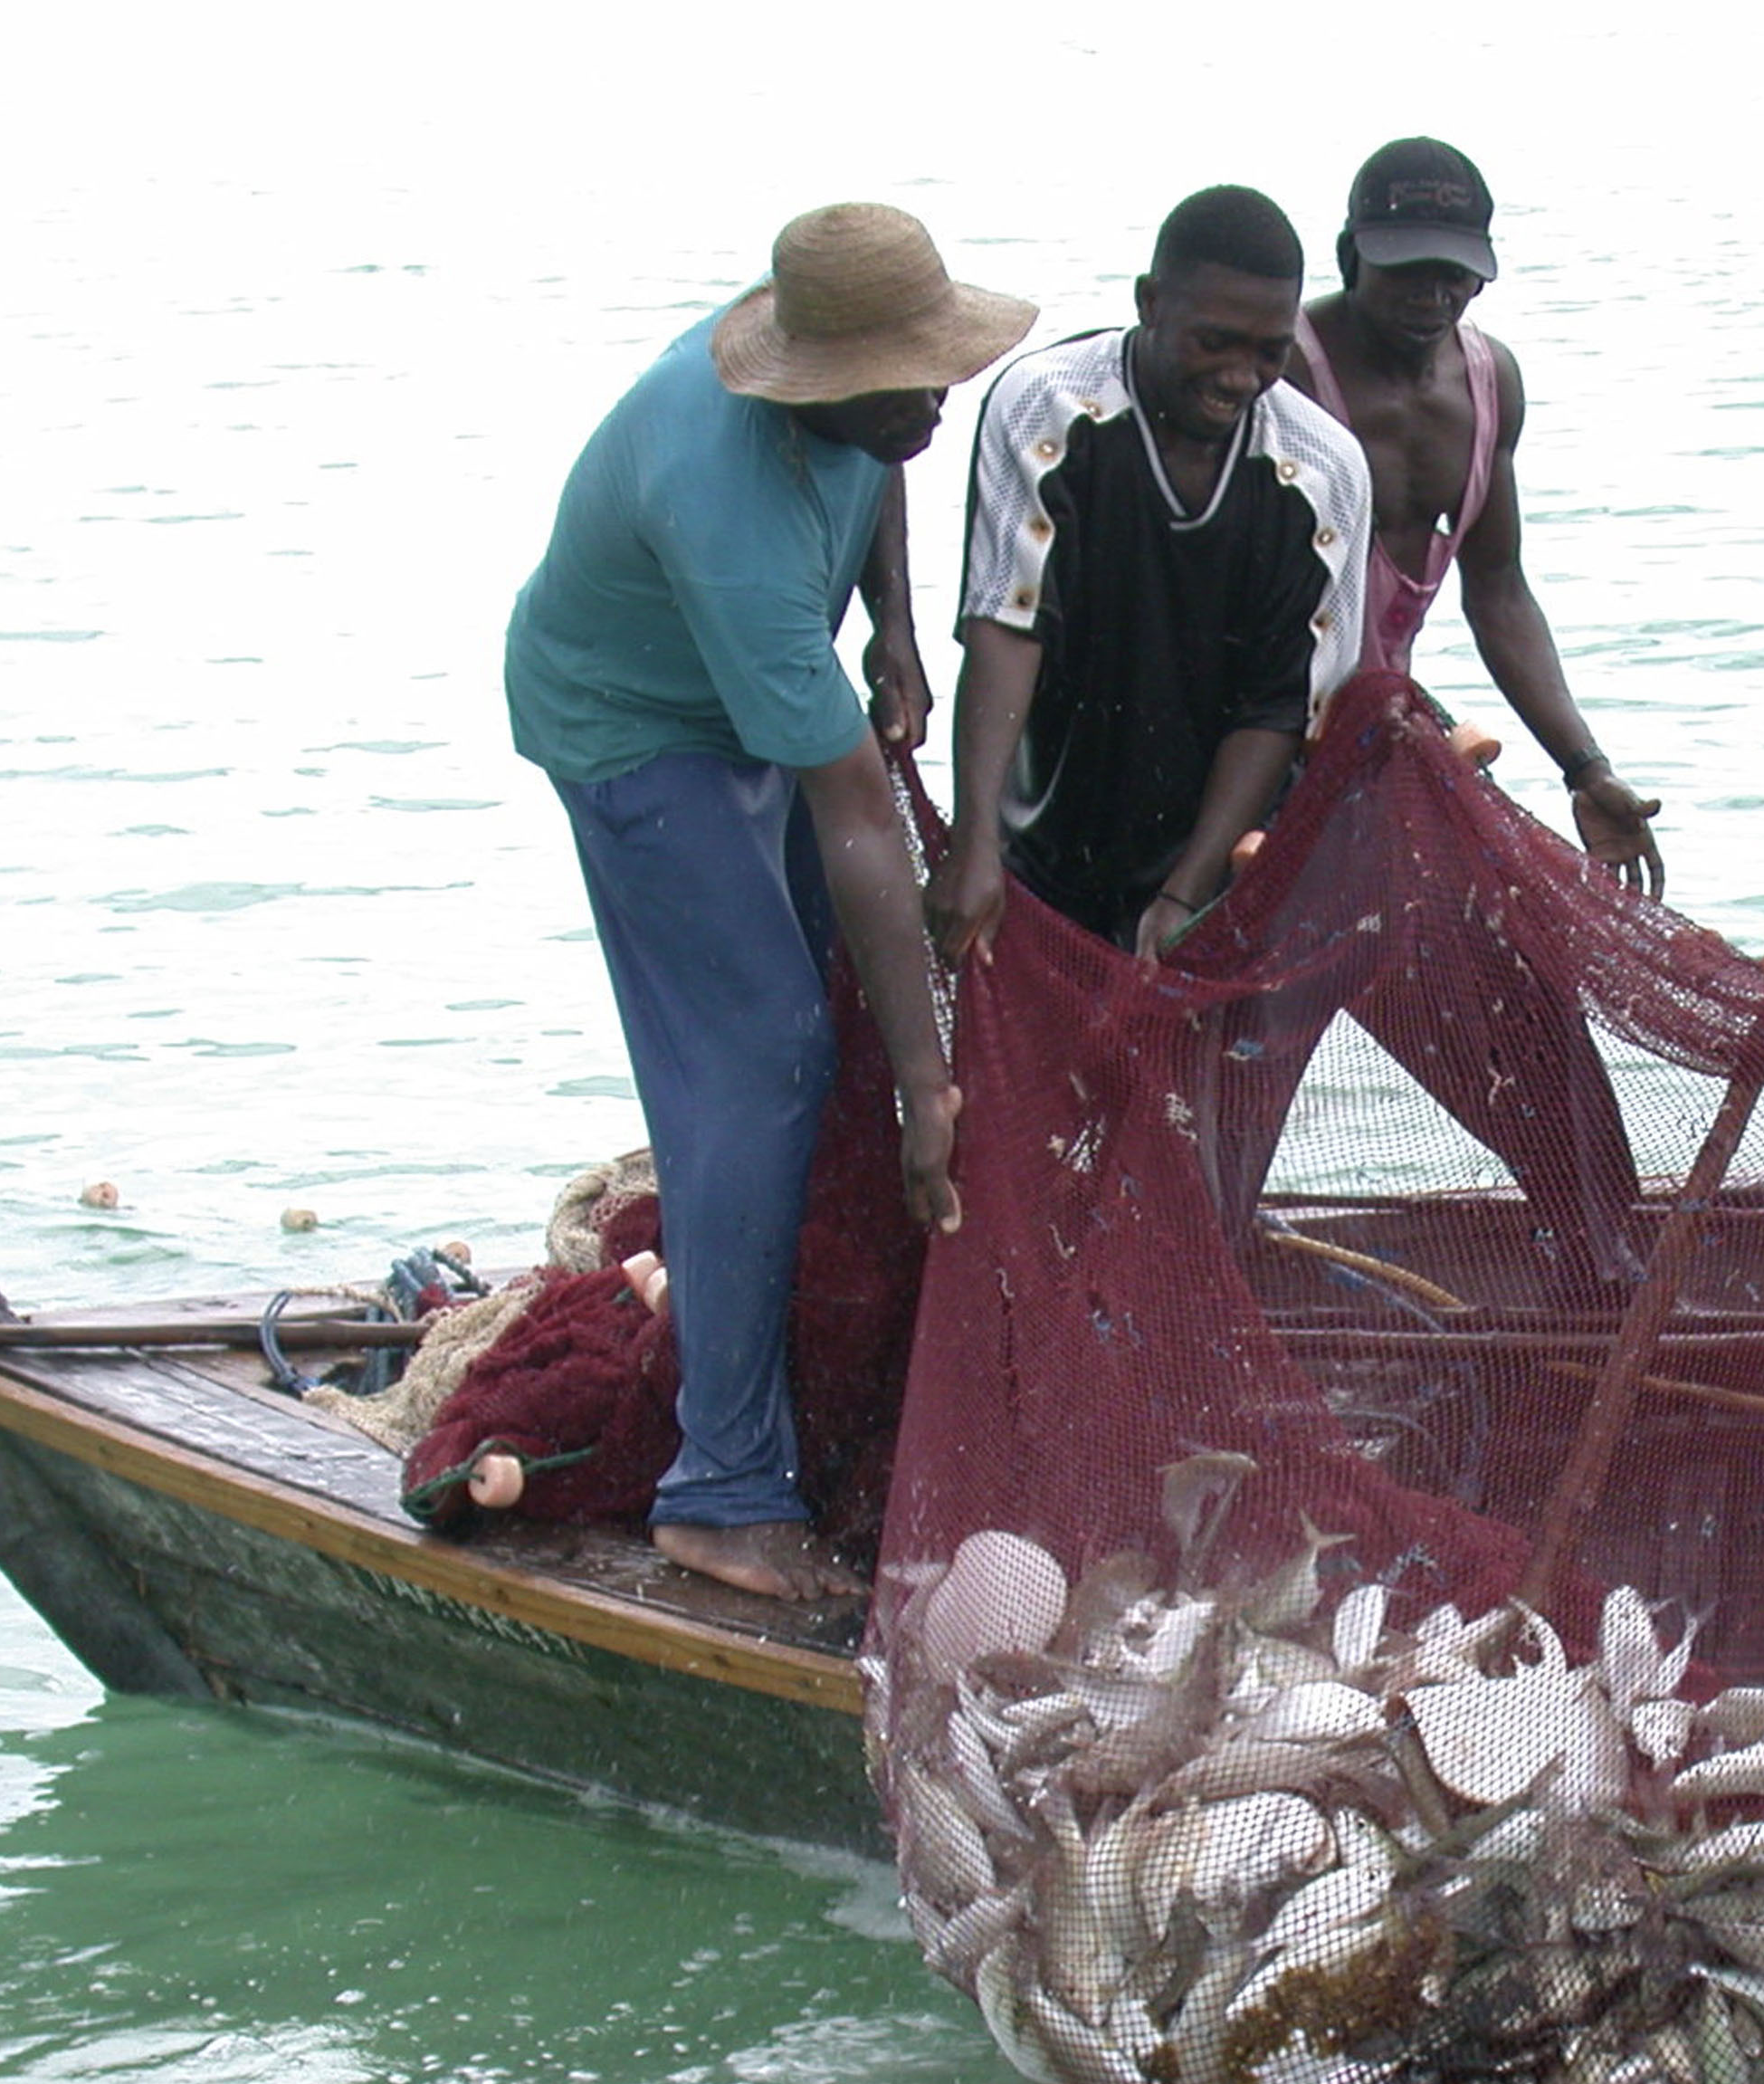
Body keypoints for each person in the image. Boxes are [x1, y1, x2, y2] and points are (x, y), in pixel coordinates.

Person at [505, 205, 1022, 1601]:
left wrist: (897, 631)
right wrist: (929, 1094)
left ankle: (776, 1378)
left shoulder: (855, 385)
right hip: (633, 728)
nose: (933, 404)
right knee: (763, 1054)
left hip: (752, 687)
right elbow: (857, 813)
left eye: (940, 372)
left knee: (828, 1014)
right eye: (903, 383)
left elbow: (883, 464)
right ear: (810, 384)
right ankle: (721, 1486)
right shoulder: (724, 507)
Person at [937, 186, 1368, 967]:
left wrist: (1184, 892)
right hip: (1047, 835)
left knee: (1193, 1083)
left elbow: (1280, 704)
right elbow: (1006, 624)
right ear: (1150, 303)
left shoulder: (1325, 470)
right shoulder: (1045, 406)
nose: (1241, 377)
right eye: (1215, 343)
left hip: (1222, 858)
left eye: (1268, 352)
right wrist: (972, 848)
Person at [1284, 138, 1664, 893]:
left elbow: (1498, 590)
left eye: (1452, 275)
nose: (1431, 297)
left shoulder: (1491, 382)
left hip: (1380, 746)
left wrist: (1585, 769)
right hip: (1261, 746)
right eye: (1406, 273)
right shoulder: (1287, 370)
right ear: (1349, 257)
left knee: (1513, 998)